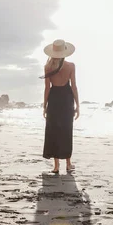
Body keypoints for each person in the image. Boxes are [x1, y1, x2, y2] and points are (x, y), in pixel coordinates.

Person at [41, 39, 79, 174]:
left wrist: (45, 105)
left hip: (54, 99)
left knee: (54, 131)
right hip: (67, 99)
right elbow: (73, 86)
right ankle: (68, 164)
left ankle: (56, 166)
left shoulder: (48, 67)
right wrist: (78, 105)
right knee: (67, 131)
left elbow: (47, 88)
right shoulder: (71, 66)